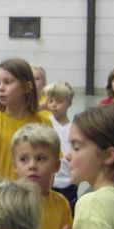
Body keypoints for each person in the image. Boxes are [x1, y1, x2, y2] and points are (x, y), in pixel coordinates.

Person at [0, 58, 52, 179]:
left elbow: (50, 166)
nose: (1, 88)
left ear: (27, 87)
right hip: (2, 195)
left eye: (7, 82)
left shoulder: (44, 122)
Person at [42, 82, 78, 212]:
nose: (54, 104)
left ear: (69, 103)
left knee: (68, 211)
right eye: (50, 100)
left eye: (59, 101)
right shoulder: (45, 122)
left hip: (69, 181)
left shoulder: (75, 126)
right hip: (50, 180)